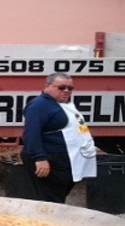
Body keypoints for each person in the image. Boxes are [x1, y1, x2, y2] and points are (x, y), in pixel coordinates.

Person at [20, 72, 97, 203]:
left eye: (70, 88)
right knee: (51, 198)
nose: (66, 91)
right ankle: (47, 221)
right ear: (47, 86)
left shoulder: (64, 103)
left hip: (66, 159)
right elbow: (31, 134)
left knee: (59, 194)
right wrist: (40, 158)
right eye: (61, 87)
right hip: (49, 158)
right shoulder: (39, 105)